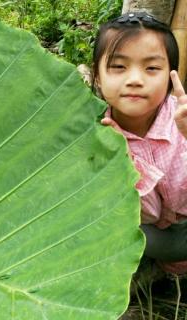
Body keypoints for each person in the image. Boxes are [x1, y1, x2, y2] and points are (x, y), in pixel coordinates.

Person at [91, 11, 187, 274]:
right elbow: (148, 215)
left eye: (152, 68)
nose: (135, 79)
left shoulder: (181, 117)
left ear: (170, 77)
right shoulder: (96, 135)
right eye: (119, 67)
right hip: (158, 238)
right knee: (110, 228)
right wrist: (124, 161)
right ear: (97, 77)